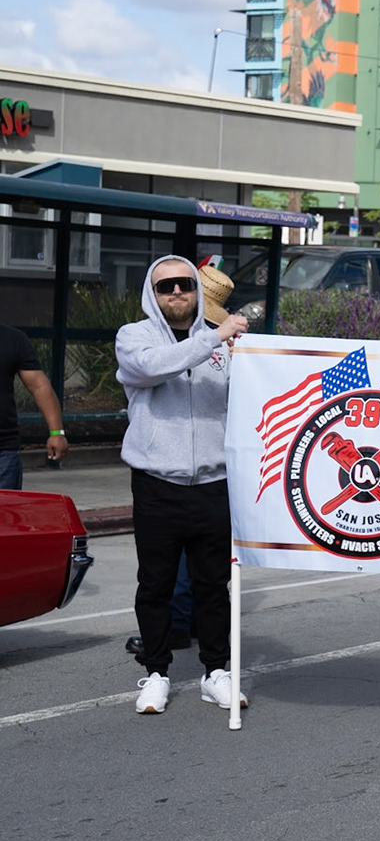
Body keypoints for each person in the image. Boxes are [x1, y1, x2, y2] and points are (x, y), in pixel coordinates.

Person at [118, 257, 249, 714]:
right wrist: (214, 337)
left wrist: (246, 354)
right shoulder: (134, 336)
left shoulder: (225, 344)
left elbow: (249, 396)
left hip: (214, 482)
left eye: (184, 284)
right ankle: (156, 673)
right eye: (165, 286)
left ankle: (216, 672)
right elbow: (151, 367)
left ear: (196, 290)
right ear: (152, 294)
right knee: (154, 584)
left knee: (213, 585)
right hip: (157, 483)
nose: (176, 292)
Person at [1, 321, 66, 489]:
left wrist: (57, 432)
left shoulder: (13, 339)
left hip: (4, 452)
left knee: (6, 506)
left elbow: (39, 386)